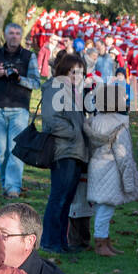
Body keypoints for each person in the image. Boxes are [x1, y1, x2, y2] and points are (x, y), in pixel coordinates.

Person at [0, 22, 41, 198]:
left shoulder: (29, 56)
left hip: (19, 109)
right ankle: (6, 185)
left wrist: (19, 77)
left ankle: (13, 189)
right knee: (2, 152)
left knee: (15, 150)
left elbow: (36, 82)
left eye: (17, 33)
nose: (14, 36)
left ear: (20, 37)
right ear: (5, 35)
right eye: (11, 33)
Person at [39, 53, 89, 254]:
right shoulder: (56, 88)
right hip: (64, 150)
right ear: (64, 71)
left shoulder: (71, 91)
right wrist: (76, 133)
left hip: (74, 151)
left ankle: (60, 242)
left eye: (81, 72)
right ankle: (49, 242)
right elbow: (52, 121)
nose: (78, 75)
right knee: (58, 198)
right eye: (74, 71)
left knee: (66, 199)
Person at [84, 85, 138, 256]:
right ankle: (101, 243)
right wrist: (130, 184)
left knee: (101, 207)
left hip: (96, 166)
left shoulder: (94, 122)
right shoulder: (119, 124)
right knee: (106, 209)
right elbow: (124, 155)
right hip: (111, 168)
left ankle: (105, 241)